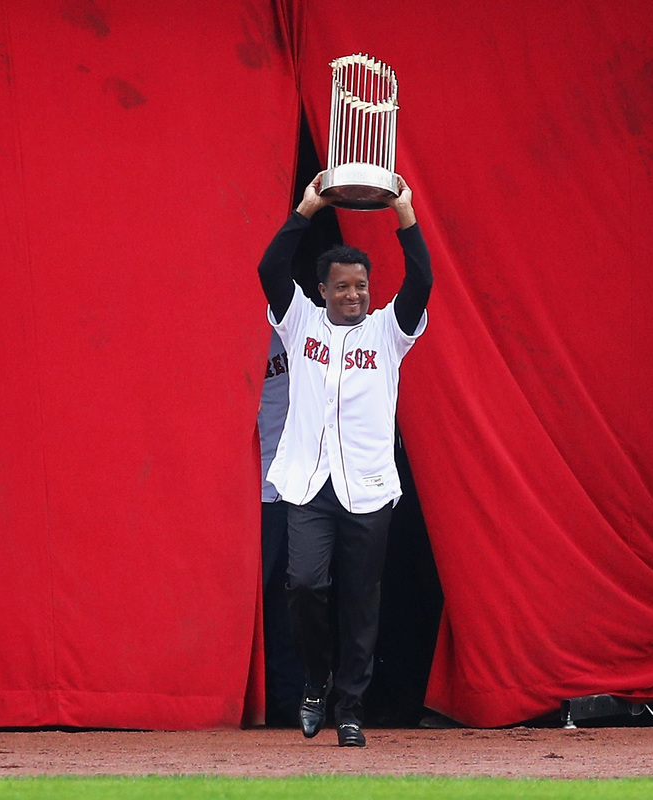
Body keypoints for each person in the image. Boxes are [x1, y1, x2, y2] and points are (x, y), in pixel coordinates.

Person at [257, 172, 432, 746]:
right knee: (304, 584)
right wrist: (308, 206)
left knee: (360, 600)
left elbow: (422, 281)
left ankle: (350, 709)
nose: (353, 294)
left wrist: (404, 215)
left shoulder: (388, 331)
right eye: (342, 286)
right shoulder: (300, 321)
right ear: (324, 290)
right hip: (309, 483)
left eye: (360, 285)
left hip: (368, 485)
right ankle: (316, 681)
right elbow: (268, 271)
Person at [257, 328, 306, 727]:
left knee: (298, 604)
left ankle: (291, 706)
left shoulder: (304, 332)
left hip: (304, 488)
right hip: (253, 491)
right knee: (257, 604)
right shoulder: (237, 337)